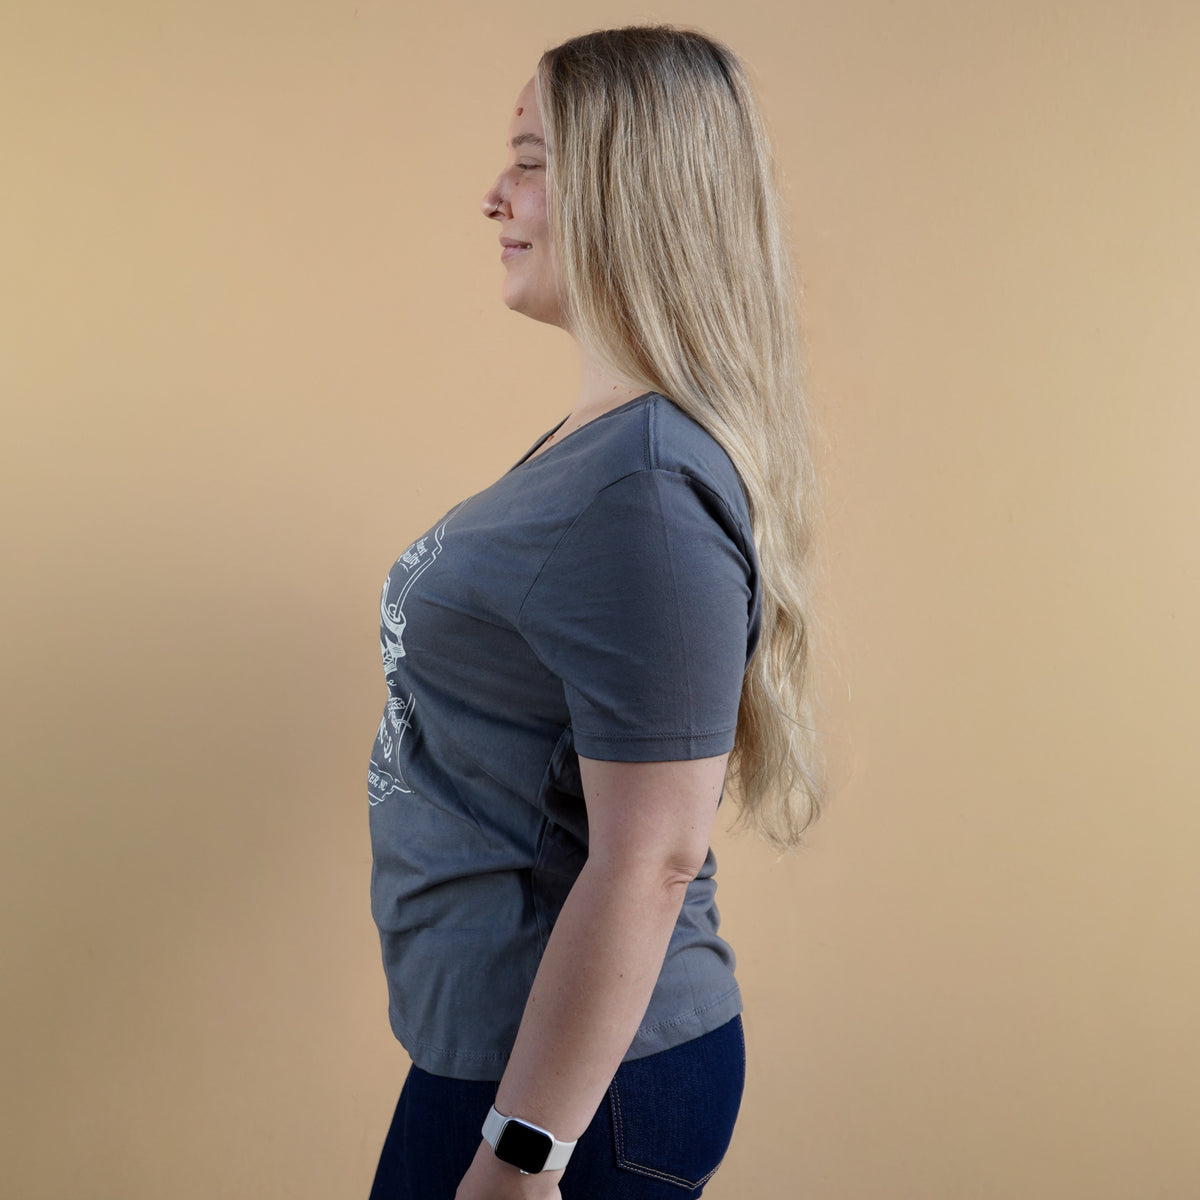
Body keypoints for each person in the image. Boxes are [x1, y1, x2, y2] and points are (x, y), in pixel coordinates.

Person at [366, 24, 828, 1200]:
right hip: (518, 1055)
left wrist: (524, 1155)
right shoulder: (605, 453)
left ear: (627, 190)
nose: (495, 195)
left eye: (531, 159)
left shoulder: (643, 492)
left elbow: (656, 857)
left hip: (575, 1091)